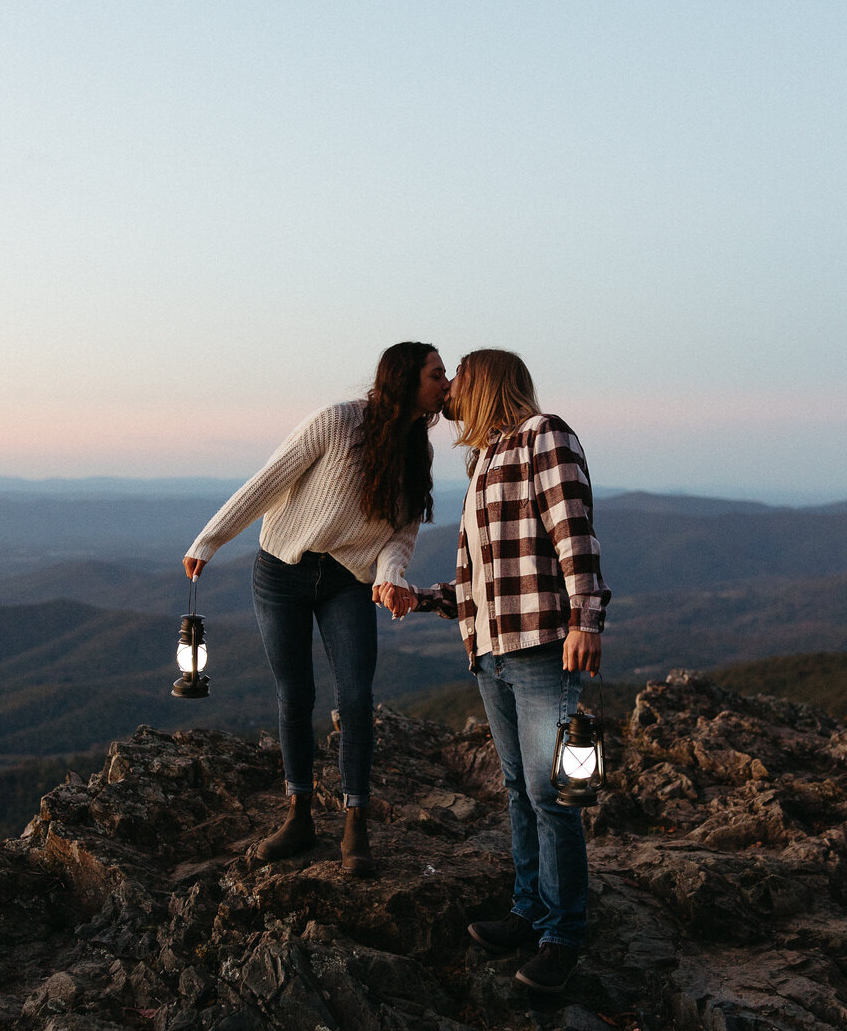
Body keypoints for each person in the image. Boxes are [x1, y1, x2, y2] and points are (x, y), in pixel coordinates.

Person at [386, 349, 609, 991]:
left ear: (485, 381)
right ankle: (528, 910)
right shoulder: (483, 459)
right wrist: (422, 598)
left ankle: (562, 936)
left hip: (540, 645)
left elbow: (575, 534)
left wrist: (586, 620)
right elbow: (480, 580)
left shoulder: (545, 435)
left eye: (458, 374)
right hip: (489, 650)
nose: (449, 386)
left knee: (549, 794)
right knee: (519, 789)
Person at [183, 342, 450, 874]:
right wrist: (209, 541)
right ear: (405, 380)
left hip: (349, 581)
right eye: (437, 374)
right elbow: (270, 480)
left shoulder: (417, 450)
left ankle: (356, 823)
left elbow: (401, 532)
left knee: (355, 696)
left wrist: (392, 576)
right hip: (282, 570)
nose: (446, 384)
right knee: (295, 695)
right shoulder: (335, 423)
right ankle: (299, 814)